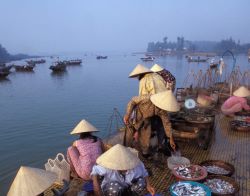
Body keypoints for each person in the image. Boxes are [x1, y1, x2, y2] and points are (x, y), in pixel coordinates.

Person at [123, 90, 180, 156]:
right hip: (134, 117)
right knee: (128, 137)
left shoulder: (162, 111)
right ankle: (125, 151)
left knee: (145, 137)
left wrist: (171, 138)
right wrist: (128, 114)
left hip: (146, 121)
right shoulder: (148, 98)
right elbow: (132, 101)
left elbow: (167, 123)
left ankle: (145, 153)